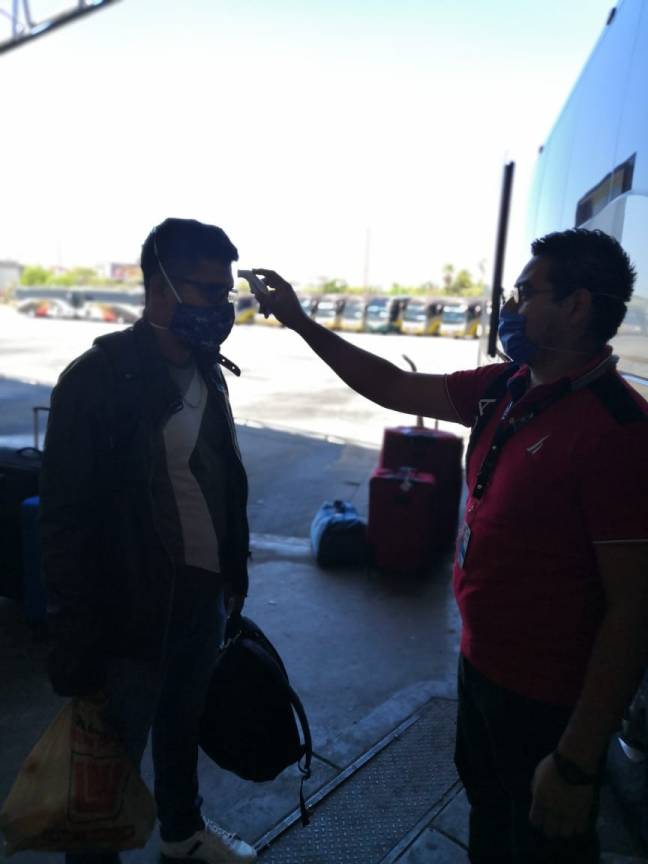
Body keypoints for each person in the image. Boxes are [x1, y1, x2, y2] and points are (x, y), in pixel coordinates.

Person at [249, 228, 648, 864]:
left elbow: (633, 608)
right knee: (490, 822)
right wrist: (300, 321)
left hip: (551, 701)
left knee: (548, 844)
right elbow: (390, 384)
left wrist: (576, 760)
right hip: (479, 667)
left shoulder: (619, 431)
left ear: (577, 305)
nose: (510, 306)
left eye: (526, 292)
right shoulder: (504, 387)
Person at [40, 218, 257, 864]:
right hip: (130, 610)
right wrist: (74, 641)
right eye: (207, 291)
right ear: (160, 288)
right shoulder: (96, 380)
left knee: (182, 725)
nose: (220, 307)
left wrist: (232, 571)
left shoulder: (208, 371)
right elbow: (65, 521)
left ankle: (181, 833)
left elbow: (219, 477)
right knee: (108, 758)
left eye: (225, 293)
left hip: (201, 597)